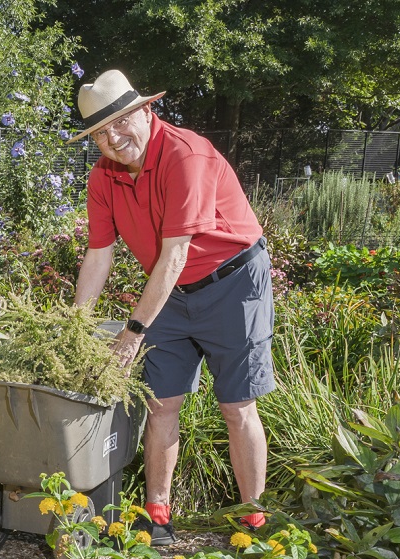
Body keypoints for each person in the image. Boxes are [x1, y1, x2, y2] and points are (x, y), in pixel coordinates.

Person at [66, 70, 274, 543]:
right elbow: (99, 254)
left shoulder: (185, 155)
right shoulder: (103, 177)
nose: (113, 138)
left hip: (234, 283)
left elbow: (177, 251)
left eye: (120, 122)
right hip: (170, 293)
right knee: (161, 403)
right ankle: (158, 514)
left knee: (237, 405)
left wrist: (133, 330)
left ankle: (254, 519)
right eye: (100, 133)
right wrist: (73, 326)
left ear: (145, 111)